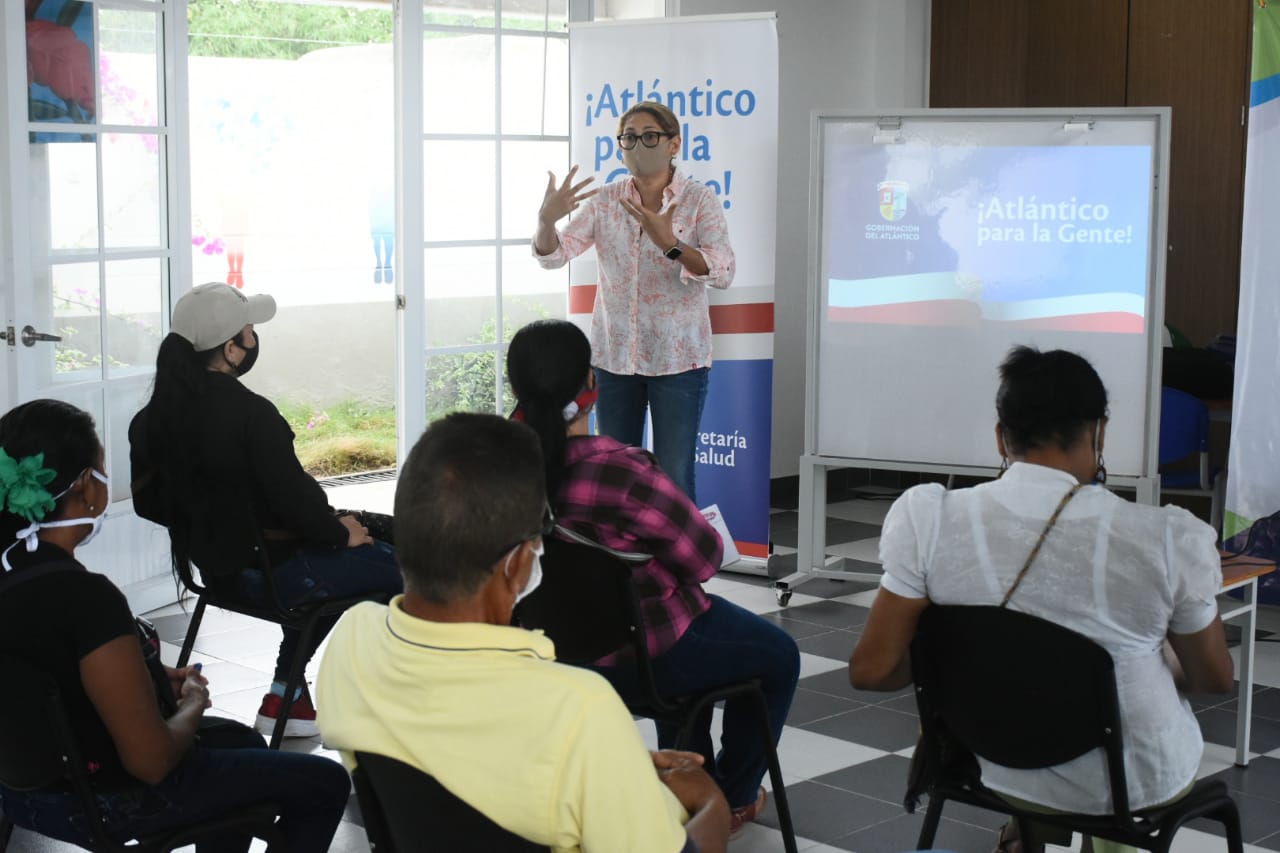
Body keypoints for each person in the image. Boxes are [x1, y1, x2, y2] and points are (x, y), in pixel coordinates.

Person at [848, 346, 1235, 853]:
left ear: (1000, 437)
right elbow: (1214, 679)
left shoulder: (930, 520)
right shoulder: (1164, 538)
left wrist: (956, 662)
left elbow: (872, 670)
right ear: (1099, 432)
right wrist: (1160, 664)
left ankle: (1024, 834)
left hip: (997, 762)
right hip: (1127, 784)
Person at [316, 412, 730, 853]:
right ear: (515, 564)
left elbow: (455, 762)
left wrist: (614, 770)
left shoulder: (351, 642)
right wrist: (711, 800)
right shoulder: (578, 709)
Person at [0, 399, 350, 853]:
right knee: (325, 781)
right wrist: (192, 704)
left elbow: (42, 673)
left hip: (21, 791)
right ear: (87, 485)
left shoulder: (15, 575)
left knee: (241, 741)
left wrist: (144, 677)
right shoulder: (86, 599)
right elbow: (153, 762)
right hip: (105, 799)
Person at [506, 319, 799, 836]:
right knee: (778, 656)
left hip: (549, 663)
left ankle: (688, 786)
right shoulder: (622, 469)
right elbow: (705, 559)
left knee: (673, 638)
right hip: (648, 660)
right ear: (591, 389)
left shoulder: (498, 468)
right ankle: (730, 799)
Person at [129, 282, 402, 737]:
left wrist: (215, 527)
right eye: (249, 330)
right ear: (232, 350)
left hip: (222, 575)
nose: (254, 338)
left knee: (350, 553)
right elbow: (299, 503)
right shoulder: (252, 415)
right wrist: (340, 534)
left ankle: (287, 699)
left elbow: (147, 504)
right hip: (278, 579)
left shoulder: (152, 419)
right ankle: (417, 715)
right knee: (417, 571)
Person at [533, 101, 735, 503]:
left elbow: (723, 272)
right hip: (614, 359)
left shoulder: (698, 201)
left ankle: (677, 566)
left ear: (674, 144)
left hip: (678, 362)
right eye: (629, 138)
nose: (637, 146)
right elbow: (554, 256)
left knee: (674, 475)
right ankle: (617, 564)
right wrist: (545, 221)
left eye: (649, 137)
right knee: (611, 475)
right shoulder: (607, 200)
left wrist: (672, 245)